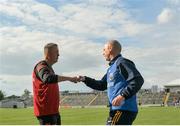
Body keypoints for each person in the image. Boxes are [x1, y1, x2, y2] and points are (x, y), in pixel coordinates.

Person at [78, 40, 144, 125]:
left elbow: (138, 80)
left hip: (123, 109)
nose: (103, 53)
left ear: (110, 49)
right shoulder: (111, 68)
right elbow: (101, 85)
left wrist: (122, 95)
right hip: (116, 109)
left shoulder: (122, 62)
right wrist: (84, 79)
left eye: (104, 50)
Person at [32, 43, 79, 125]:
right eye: (56, 52)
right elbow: (48, 78)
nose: (58, 54)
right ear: (48, 54)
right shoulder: (41, 66)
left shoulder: (48, 68)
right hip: (46, 112)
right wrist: (70, 78)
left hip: (52, 111)